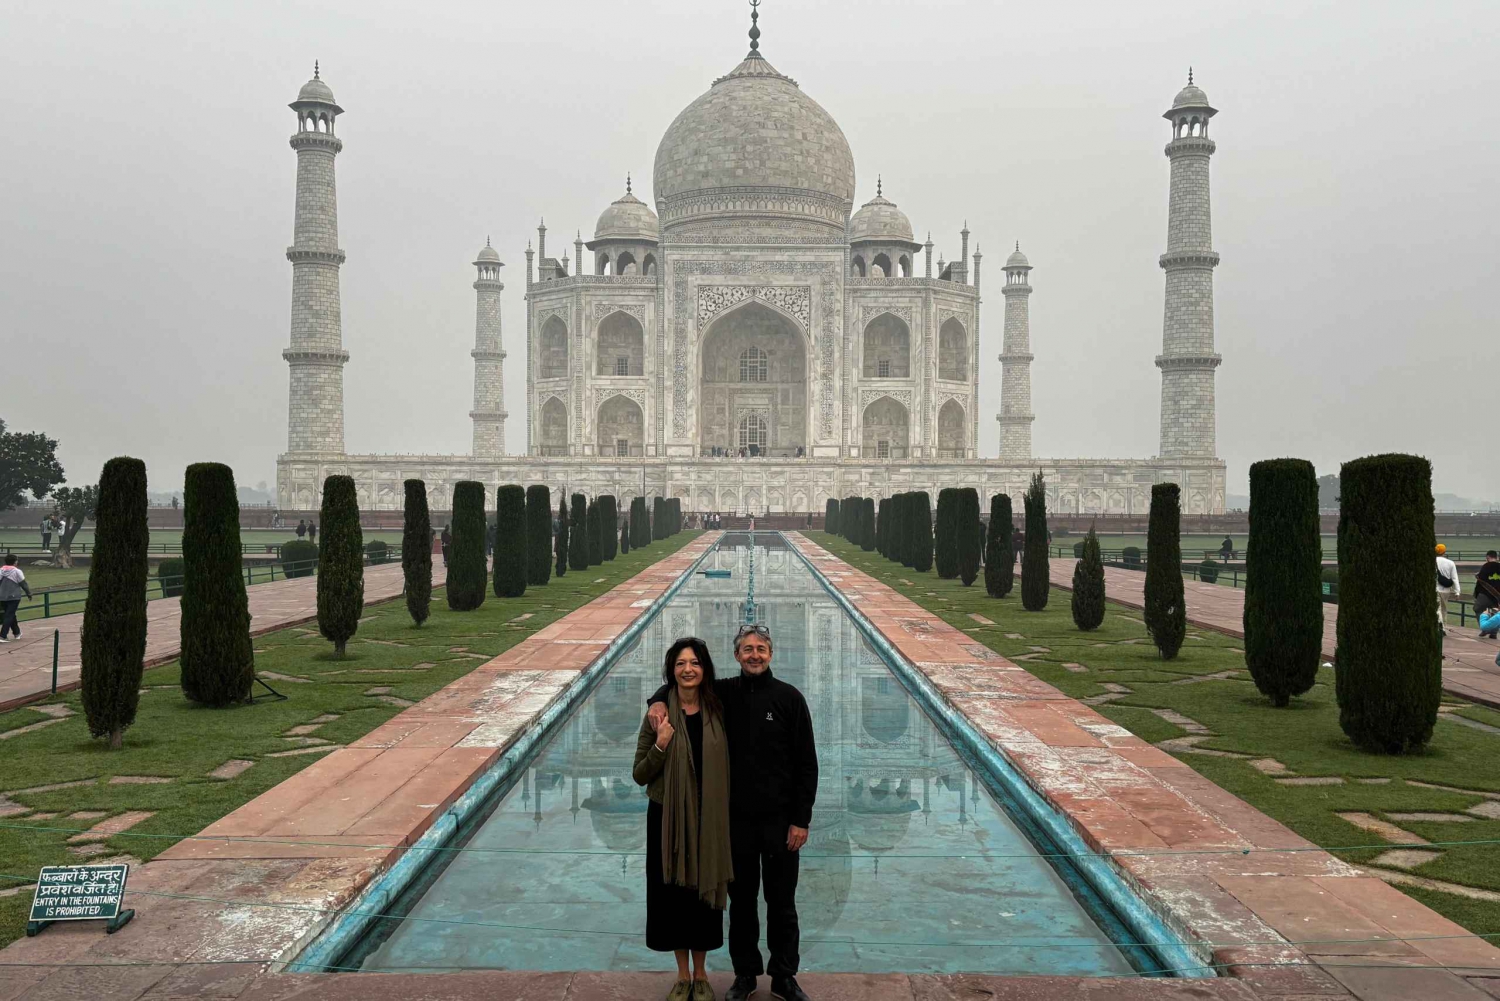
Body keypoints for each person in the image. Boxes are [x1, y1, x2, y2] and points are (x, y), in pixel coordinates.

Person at [647, 624, 818, 1001]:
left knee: (782, 904)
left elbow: (807, 764)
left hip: (780, 824)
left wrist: (800, 819)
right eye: (747, 650)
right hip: (734, 823)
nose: (754, 655)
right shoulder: (722, 695)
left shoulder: (789, 698)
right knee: (741, 906)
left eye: (760, 649)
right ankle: (745, 975)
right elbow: (684, 685)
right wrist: (656, 699)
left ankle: (784, 976)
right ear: (737, 656)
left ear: (771, 654)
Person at [633, 637, 733, 1001]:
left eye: (694, 663)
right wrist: (660, 744)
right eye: (680, 664)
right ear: (671, 670)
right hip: (667, 817)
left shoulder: (721, 707)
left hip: (710, 816)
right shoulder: (657, 716)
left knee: (702, 894)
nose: (687, 669)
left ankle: (702, 974)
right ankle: (681, 974)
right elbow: (640, 773)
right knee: (671, 895)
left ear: (705, 668)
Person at [0, 554, 32, 643]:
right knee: (9, 615)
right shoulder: (17, 571)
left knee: (10, 614)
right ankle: (3, 636)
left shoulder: (1, 571)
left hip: (2, 596)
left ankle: (17, 633)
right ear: (15, 562)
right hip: (14, 596)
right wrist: (28, 593)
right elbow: (23, 584)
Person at [1436, 543, 1461, 634]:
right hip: (1446, 590)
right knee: (1444, 609)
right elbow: (1455, 578)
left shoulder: (1432, 561)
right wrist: (1457, 592)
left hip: (1435, 588)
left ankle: (1440, 627)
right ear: (1444, 552)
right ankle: (1444, 627)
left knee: (1437, 609)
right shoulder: (1450, 563)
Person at [1474, 551, 1500, 624]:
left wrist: (1476, 594)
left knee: (1477, 608)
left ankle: (1484, 627)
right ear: (1496, 557)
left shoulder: (1486, 566)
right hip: (1497, 597)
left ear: (1488, 557)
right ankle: (1493, 632)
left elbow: (1481, 581)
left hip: (1485, 594)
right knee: (1495, 612)